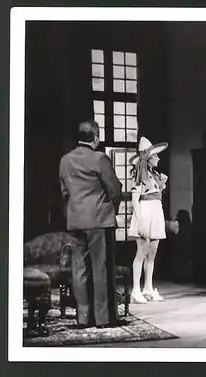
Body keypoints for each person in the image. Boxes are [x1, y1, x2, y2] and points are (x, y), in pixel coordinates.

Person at [59, 120, 123, 328]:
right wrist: (111, 207)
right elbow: (114, 189)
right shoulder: (99, 158)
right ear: (96, 138)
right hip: (99, 221)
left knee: (79, 270)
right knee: (100, 268)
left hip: (75, 220)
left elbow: (64, 193)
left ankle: (83, 318)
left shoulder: (65, 160)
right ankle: (103, 318)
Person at [128, 137, 169, 304]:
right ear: (148, 158)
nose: (158, 158)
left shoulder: (156, 175)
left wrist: (163, 184)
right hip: (145, 212)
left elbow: (156, 193)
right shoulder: (140, 175)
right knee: (141, 252)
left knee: (152, 253)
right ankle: (136, 290)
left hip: (156, 211)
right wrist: (140, 220)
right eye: (155, 156)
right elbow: (135, 199)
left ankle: (148, 287)